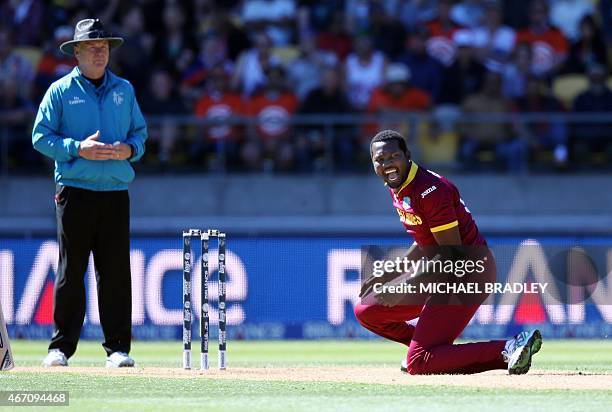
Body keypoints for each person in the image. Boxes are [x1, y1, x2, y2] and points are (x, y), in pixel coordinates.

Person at [354, 129, 543, 375]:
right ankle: (428, 350)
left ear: (408, 155)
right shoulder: (398, 184)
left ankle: (508, 348)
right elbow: (425, 243)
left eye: (393, 157)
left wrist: (403, 286)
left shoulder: (429, 190)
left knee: (420, 364)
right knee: (367, 311)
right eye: (380, 160)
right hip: (441, 272)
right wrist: (389, 274)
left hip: (468, 273)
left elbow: (452, 255)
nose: (387, 164)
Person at [32, 19, 147, 368]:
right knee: (71, 270)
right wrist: (76, 148)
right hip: (75, 191)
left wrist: (128, 150)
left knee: (115, 272)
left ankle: (118, 349)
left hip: (114, 191)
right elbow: (41, 137)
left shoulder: (124, 90)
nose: (100, 53)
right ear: (77, 53)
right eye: (92, 48)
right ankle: (60, 348)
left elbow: (140, 136)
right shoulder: (60, 91)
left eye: (104, 47)